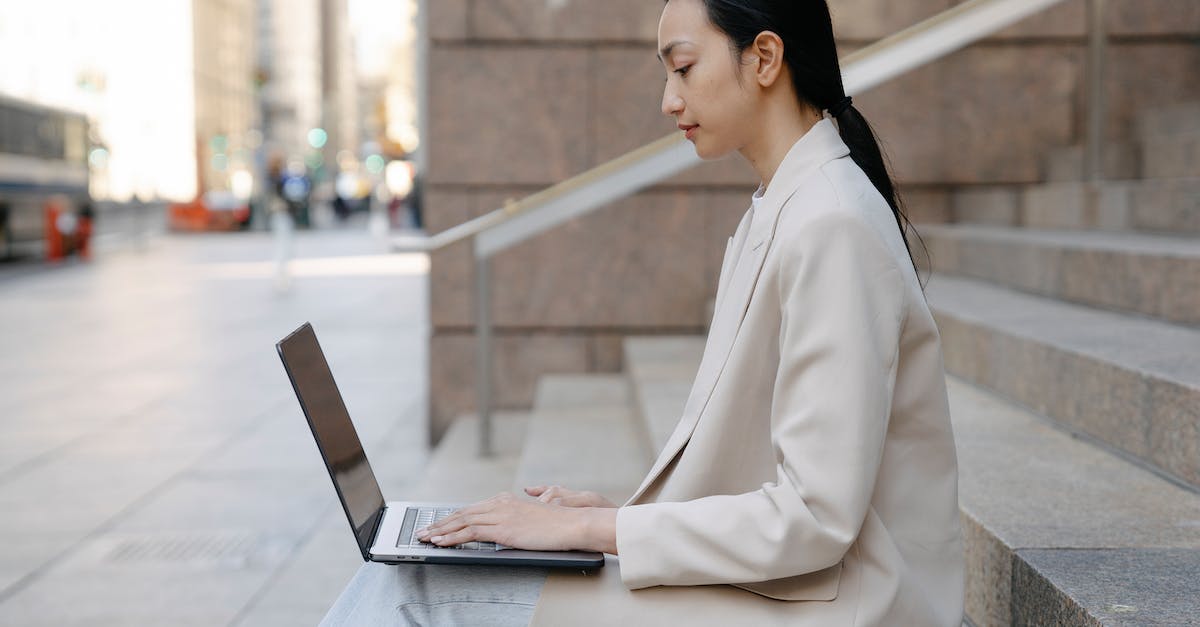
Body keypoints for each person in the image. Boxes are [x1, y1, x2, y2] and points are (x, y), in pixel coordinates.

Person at [415, 0, 964, 624]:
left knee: (459, 604)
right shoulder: (786, 207)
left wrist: (603, 528)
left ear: (763, 58)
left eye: (682, 68)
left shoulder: (831, 224)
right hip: (805, 587)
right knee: (465, 587)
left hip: (846, 604)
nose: (668, 101)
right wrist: (618, 519)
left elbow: (815, 516)